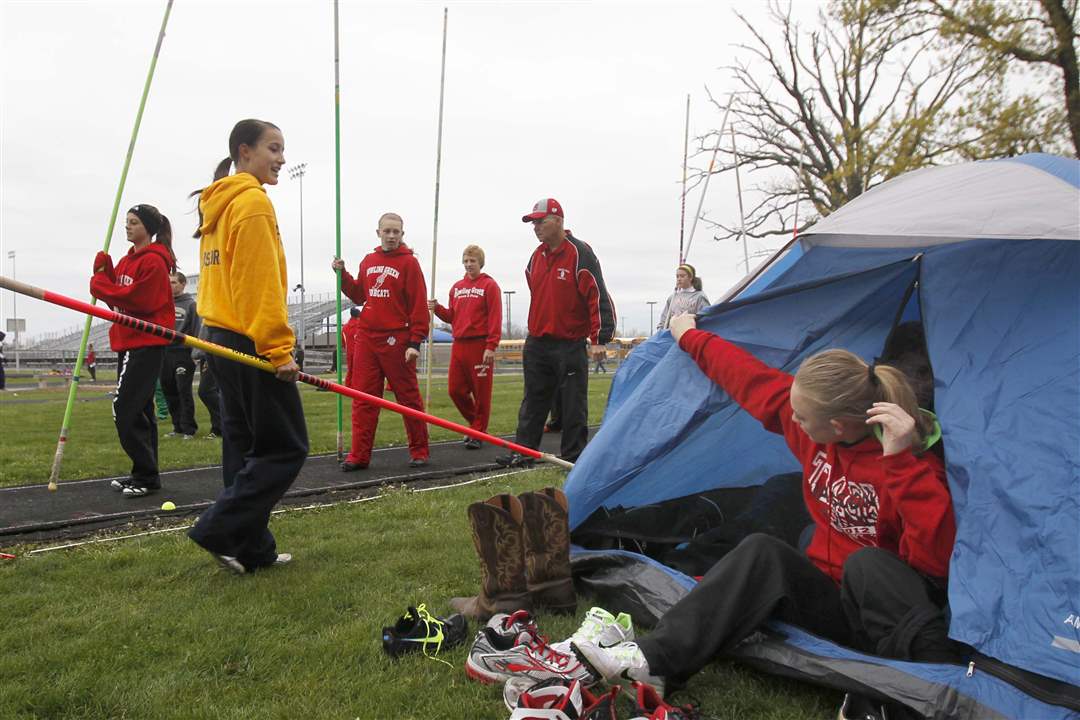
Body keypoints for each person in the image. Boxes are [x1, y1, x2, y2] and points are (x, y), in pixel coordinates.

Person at [573, 313, 960, 719]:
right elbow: (749, 379)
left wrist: (900, 463)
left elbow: (933, 563)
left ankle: (912, 694)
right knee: (763, 550)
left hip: (894, 622)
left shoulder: (912, 466)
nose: (791, 420)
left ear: (837, 426)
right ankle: (654, 663)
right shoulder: (817, 432)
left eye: (801, 417)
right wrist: (688, 335)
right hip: (836, 605)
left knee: (868, 564)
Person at [185, 118, 307, 574]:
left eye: (283, 149)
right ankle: (220, 529)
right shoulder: (251, 202)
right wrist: (278, 350)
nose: (280, 158)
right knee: (285, 447)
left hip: (220, 337)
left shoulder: (217, 204)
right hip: (248, 338)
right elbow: (257, 284)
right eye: (273, 148)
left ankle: (251, 547)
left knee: (244, 447)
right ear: (244, 152)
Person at [496, 198, 616, 466]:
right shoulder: (536, 257)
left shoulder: (580, 253)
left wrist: (600, 340)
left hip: (570, 343)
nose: (536, 227)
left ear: (558, 221)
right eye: (533, 223)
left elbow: (598, 297)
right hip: (538, 341)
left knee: (573, 403)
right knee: (533, 400)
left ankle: (573, 458)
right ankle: (523, 453)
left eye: (541, 221)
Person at [89, 203, 176, 497]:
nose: (127, 226)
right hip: (128, 341)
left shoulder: (154, 262)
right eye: (126, 222)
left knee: (123, 409)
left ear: (149, 228)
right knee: (140, 410)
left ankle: (146, 474)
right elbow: (119, 303)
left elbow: (139, 300)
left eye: (134, 222)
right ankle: (145, 474)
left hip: (145, 343)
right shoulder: (128, 261)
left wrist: (100, 283)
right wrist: (106, 271)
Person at [332, 213, 430, 470]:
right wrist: (342, 275)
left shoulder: (409, 264)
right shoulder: (369, 260)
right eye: (387, 231)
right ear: (378, 232)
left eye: (396, 232)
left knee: (407, 397)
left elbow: (419, 305)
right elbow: (358, 295)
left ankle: (419, 450)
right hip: (366, 336)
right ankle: (359, 455)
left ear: (402, 234)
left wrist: (415, 342)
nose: (391, 236)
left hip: (396, 339)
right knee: (363, 398)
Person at [428, 245, 502, 449]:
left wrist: (491, 345)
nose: (469, 265)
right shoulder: (456, 287)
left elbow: (495, 317)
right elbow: (452, 316)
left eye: (473, 261)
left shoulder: (490, 286)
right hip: (459, 343)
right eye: (466, 261)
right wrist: (437, 309)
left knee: (481, 393)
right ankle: (475, 426)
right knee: (455, 390)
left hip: (480, 344)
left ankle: (478, 431)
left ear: (480, 263)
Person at [161, 271, 199, 439]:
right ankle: (177, 427)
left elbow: (196, 329)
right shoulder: (163, 303)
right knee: (168, 390)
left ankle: (188, 429)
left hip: (183, 353)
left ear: (183, 284)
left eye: (174, 282)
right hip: (165, 352)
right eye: (169, 282)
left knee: (183, 390)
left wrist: (195, 352)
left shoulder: (191, 304)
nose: (171, 285)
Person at [656, 263, 710, 331]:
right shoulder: (673, 297)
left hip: (689, 335)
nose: (679, 279)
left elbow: (705, 318)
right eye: (677, 276)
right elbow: (664, 318)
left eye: (682, 276)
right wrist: (660, 331)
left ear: (690, 278)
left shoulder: (699, 296)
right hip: (671, 335)